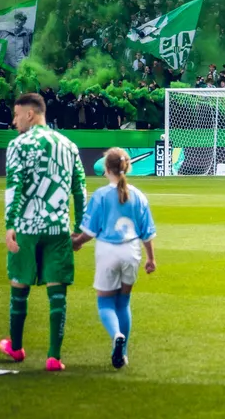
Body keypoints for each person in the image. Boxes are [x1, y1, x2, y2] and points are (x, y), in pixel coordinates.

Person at [0, 92, 86, 372]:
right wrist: (80, 228)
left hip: (26, 226)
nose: (13, 121)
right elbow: (80, 189)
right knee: (57, 292)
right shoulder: (69, 145)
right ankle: (53, 357)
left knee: (19, 286)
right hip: (58, 227)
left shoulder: (18, 144)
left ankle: (15, 347)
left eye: (16, 115)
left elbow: (15, 184)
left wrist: (9, 224)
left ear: (30, 114)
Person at [73, 149, 157, 370]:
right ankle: (124, 351)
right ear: (127, 167)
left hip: (108, 251)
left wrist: (77, 242)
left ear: (106, 169)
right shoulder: (138, 195)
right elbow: (147, 232)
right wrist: (151, 259)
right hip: (131, 251)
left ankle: (116, 335)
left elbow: (90, 231)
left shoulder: (101, 195)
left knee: (105, 302)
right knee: (123, 303)